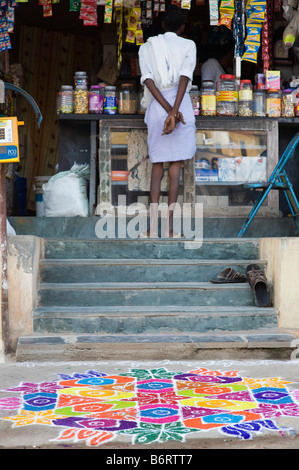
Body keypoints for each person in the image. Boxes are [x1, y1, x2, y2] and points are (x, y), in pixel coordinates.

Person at [138, 5, 197, 238]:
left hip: (158, 105)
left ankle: (153, 228)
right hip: (180, 105)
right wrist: (175, 111)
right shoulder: (188, 45)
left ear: (162, 25)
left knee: (156, 166)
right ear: (182, 27)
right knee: (175, 168)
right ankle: (170, 230)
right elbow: (185, 77)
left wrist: (167, 112)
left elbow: (148, 81)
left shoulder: (147, 47)